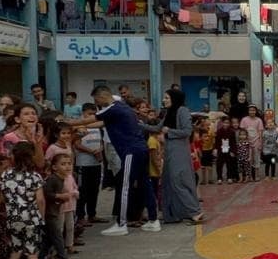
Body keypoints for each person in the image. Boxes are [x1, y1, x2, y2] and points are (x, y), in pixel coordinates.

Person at [67, 86, 160, 236]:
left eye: (96, 100)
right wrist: (81, 125)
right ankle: (153, 220)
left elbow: (93, 118)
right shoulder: (122, 108)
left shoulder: (112, 109)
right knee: (145, 183)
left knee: (124, 185)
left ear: (102, 96)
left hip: (130, 151)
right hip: (140, 150)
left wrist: (68, 123)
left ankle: (121, 223)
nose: (97, 103)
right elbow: (100, 123)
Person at [0, 141, 45, 259]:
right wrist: (41, 215)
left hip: (13, 217)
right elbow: (40, 199)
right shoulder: (34, 176)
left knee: (15, 250)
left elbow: (2, 197)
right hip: (31, 217)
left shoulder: (6, 175)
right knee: (32, 251)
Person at [157, 90, 204, 224]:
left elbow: (187, 131)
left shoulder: (182, 111)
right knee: (167, 183)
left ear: (174, 98)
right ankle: (172, 214)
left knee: (178, 182)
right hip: (170, 152)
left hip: (179, 152)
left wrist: (169, 131)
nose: (164, 100)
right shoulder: (168, 113)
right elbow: (156, 128)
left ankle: (195, 211)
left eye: (166, 97)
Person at [43, 153, 80, 259]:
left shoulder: (63, 178)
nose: (67, 166)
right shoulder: (53, 179)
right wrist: (61, 196)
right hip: (50, 213)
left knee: (49, 238)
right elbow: (47, 194)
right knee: (58, 236)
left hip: (54, 211)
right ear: (54, 167)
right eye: (63, 164)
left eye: (69, 163)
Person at [73, 103, 105, 224]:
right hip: (83, 163)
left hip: (96, 163)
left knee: (94, 190)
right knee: (82, 190)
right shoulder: (78, 126)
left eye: (93, 114)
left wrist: (100, 149)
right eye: (89, 114)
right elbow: (76, 144)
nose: (92, 116)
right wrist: (91, 151)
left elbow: (101, 141)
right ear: (83, 113)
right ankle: (81, 216)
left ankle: (92, 214)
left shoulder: (97, 126)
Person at [239, 105, 265, 181]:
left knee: (256, 159)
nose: (252, 112)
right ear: (248, 111)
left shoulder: (259, 120)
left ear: (256, 111)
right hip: (246, 143)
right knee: (248, 160)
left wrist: (260, 143)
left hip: (256, 141)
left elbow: (260, 132)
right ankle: (249, 176)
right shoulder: (244, 120)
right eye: (250, 110)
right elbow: (242, 132)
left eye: (253, 110)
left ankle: (257, 175)